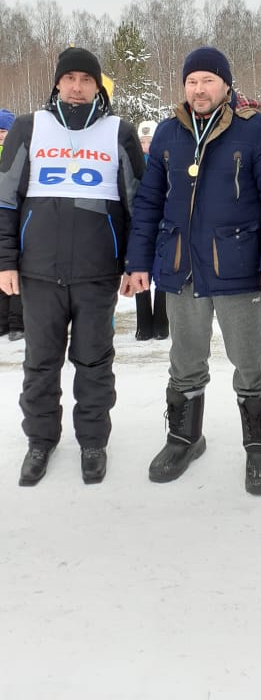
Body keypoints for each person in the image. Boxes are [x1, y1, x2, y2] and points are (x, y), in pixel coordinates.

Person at [121, 46, 261, 495]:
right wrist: (138, 262)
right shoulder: (168, 133)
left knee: (249, 360)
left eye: (208, 81)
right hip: (181, 269)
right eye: (192, 82)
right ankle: (184, 439)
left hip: (239, 269)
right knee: (184, 360)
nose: (199, 89)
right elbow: (148, 204)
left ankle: (260, 448)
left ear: (225, 85)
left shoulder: (255, 131)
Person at [0, 47, 146, 486]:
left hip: (97, 273)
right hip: (39, 272)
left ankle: (93, 442)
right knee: (40, 363)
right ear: (57, 83)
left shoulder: (119, 132)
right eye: (70, 79)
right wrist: (6, 262)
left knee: (94, 363)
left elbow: (138, 205)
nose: (78, 87)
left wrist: (134, 263)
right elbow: (5, 201)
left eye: (86, 80)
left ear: (98, 86)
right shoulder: (28, 127)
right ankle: (40, 440)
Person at [134, 120, 169, 341]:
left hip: (163, 225)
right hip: (140, 225)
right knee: (140, 270)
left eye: (150, 142)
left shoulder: (166, 161)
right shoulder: (132, 163)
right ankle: (143, 325)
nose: (146, 147)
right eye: (142, 142)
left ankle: (162, 324)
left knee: (162, 272)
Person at [0, 109, 24, 341]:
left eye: (3, 130)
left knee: (16, 268)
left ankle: (17, 322)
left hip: (14, 215)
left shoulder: (20, 152)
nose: (0, 135)